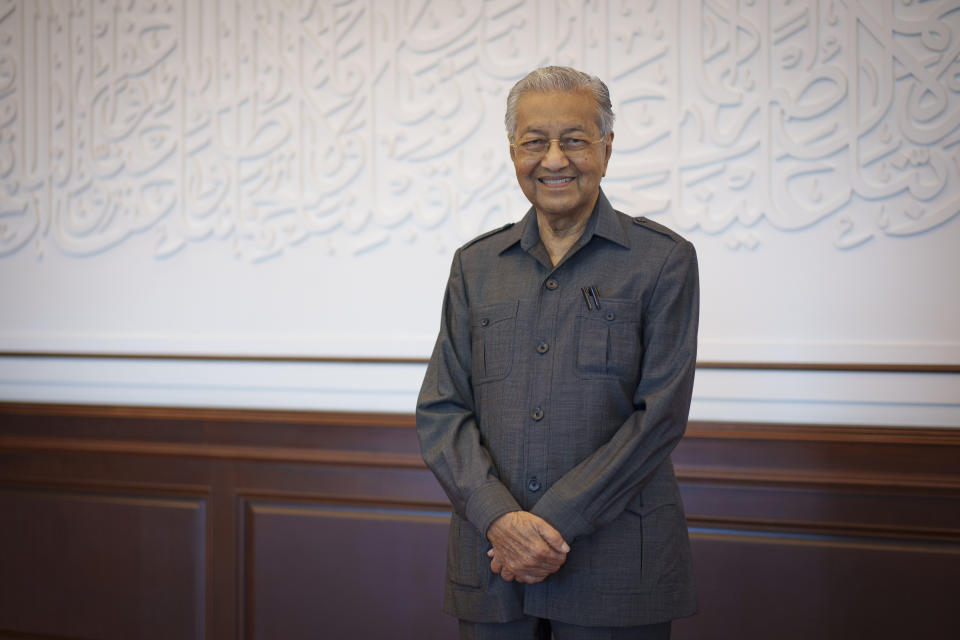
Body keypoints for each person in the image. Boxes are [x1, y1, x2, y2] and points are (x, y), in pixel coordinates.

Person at [416, 66, 699, 640]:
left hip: (618, 569)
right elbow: (441, 411)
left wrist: (548, 525)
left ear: (606, 147)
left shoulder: (663, 261)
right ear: (513, 152)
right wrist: (500, 519)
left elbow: (660, 417)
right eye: (534, 142)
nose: (554, 159)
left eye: (573, 139)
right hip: (493, 566)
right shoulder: (475, 267)